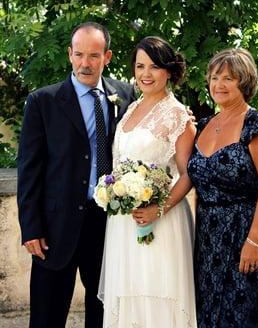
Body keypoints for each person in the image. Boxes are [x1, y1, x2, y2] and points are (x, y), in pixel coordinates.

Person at [17, 22, 135, 328]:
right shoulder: (43, 101)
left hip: (109, 225)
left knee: (106, 315)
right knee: (47, 316)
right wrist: (30, 228)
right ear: (70, 55)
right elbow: (29, 169)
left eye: (94, 55)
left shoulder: (126, 95)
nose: (86, 63)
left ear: (107, 56)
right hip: (55, 228)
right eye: (79, 54)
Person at [98, 36, 197, 327]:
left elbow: (187, 173)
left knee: (157, 289)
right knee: (128, 291)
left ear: (168, 71)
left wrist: (159, 208)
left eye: (154, 67)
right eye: (140, 66)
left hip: (162, 220)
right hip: (124, 222)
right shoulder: (130, 108)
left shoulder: (178, 115)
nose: (146, 74)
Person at [187, 48, 258, 327]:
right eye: (215, 77)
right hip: (208, 238)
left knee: (244, 314)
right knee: (209, 314)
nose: (219, 84)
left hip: (244, 233)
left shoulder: (255, 124)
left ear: (245, 81)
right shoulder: (204, 125)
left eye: (228, 78)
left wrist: (254, 241)